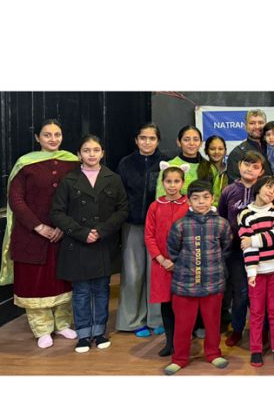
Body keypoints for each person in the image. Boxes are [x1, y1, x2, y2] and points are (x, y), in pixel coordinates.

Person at [1, 119, 79, 348]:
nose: (53, 139)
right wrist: (39, 226)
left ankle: (63, 324)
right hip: (32, 234)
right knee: (35, 282)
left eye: (57, 134)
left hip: (63, 234)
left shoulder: (73, 163)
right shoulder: (25, 165)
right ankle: (42, 329)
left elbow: (78, 198)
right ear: (37, 138)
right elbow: (16, 200)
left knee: (62, 279)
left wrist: (63, 227)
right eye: (47, 135)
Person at [50, 134, 128, 352]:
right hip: (78, 243)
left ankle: (99, 332)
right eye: (86, 150)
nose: (91, 154)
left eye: (95, 150)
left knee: (102, 289)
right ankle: (83, 334)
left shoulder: (113, 178)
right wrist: (82, 232)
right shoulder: (69, 180)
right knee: (82, 291)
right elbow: (57, 212)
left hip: (103, 242)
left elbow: (122, 209)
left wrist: (101, 231)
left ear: (102, 153)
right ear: (78, 154)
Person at [163, 180, 232, 375]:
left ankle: (213, 353)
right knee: (183, 324)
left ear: (212, 198)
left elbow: (226, 248)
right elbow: (173, 251)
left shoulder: (221, 223)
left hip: (213, 282)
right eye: (196, 198)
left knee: (212, 322)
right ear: (188, 201)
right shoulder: (180, 225)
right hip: (185, 284)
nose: (201, 202)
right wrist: (185, 265)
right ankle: (179, 358)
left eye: (205, 197)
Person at [115, 122, 165, 337]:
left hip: (158, 227)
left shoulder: (166, 163)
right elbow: (119, 195)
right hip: (133, 225)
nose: (147, 142)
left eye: (152, 138)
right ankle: (133, 320)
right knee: (133, 274)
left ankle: (157, 319)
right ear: (136, 140)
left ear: (158, 141)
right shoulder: (125, 164)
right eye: (143, 138)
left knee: (156, 273)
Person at [238, 175, 274, 367]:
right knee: (257, 312)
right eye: (269, 187)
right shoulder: (245, 214)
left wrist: (253, 240)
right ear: (258, 187)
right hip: (257, 271)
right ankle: (256, 349)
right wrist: (251, 271)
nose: (271, 192)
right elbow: (246, 245)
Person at [218, 151, 266, 345]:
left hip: (260, 252)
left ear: (261, 171)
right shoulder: (228, 191)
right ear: (239, 166)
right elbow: (221, 217)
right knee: (241, 293)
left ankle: (261, 330)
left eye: (255, 167)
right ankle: (237, 329)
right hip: (236, 252)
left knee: (258, 294)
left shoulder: (265, 191)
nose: (250, 169)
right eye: (246, 165)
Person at [144, 163, 190, 357]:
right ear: (162, 183)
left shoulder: (189, 206)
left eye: (176, 181)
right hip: (161, 264)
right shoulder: (155, 206)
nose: (172, 185)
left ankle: (183, 343)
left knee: (183, 305)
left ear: (183, 182)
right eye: (168, 181)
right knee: (166, 304)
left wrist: (180, 260)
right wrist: (161, 259)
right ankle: (169, 342)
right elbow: (149, 236)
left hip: (184, 264)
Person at [154, 125, 202, 199]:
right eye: (186, 140)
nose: (191, 143)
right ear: (179, 142)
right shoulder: (169, 166)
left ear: (201, 143)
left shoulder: (210, 167)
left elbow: (216, 199)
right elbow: (161, 199)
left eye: (195, 139)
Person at [226, 109, 272, 182]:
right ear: (245, 126)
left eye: (260, 123)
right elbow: (235, 185)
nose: (257, 126)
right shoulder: (237, 153)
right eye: (252, 123)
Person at [197, 135, 228, 204]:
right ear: (206, 151)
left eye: (220, 149)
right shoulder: (202, 169)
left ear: (225, 151)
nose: (217, 152)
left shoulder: (229, 169)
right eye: (212, 149)